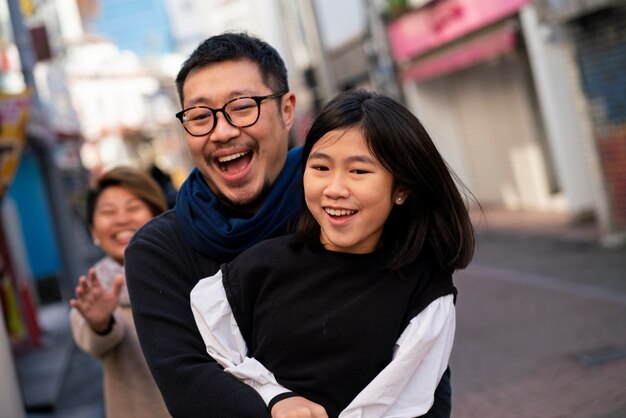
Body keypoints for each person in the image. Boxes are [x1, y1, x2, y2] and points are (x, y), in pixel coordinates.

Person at [124, 33, 452, 417]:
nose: (223, 131)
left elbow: (424, 384)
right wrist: (276, 402)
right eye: (200, 116)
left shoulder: (351, 216)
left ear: (286, 109)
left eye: (242, 107)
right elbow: (190, 385)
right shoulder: (159, 250)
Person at [190, 89, 476, 418]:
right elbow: (220, 363)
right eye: (321, 168)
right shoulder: (256, 268)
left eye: (359, 171)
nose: (335, 189)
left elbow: (403, 400)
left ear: (401, 188)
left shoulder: (424, 287)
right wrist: (275, 396)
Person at [69, 166, 170, 418]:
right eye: (108, 212)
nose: (122, 219)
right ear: (93, 229)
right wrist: (101, 324)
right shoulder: (95, 288)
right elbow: (91, 336)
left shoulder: (187, 271)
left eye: (134, 207)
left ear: (158, 215)